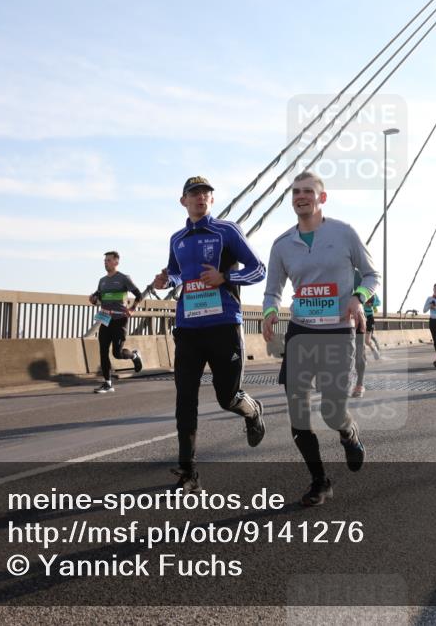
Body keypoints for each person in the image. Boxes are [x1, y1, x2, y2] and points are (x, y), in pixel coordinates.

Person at [262, 171, 377, 507]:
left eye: (308, 191)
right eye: (296, 192)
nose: (301, 196)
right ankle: (319, 481)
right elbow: (272, 290)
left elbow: (372, 275)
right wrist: (270, 312)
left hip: (337, 332)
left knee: (331, 411)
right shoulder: (282, 244)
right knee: (298, 412)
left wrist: (358, 297)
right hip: (301, 332)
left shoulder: (344, 233)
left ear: (321, 198)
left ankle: (347, 431)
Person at [153, 176, 268, 494]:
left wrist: (225, 277)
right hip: (188, 327)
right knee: (184, 399)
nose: (200, 197)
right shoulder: (177, 239)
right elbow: (177, 273)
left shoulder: (227, 231)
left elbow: (258, 269)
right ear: (184, 201)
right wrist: (166, 280)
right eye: (194, 193)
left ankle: (252, 410)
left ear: (212, 200)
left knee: (226, 396)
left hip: (223, 325)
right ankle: (189, 473)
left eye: (206, 193)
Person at [89, 251, 144, 393]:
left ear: (116, 262)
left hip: (120, 320)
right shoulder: (102, 280)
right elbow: (98, 296)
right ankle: (107, 383)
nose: (105, 263)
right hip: (105, 319)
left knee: (117, 353)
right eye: (105, 261)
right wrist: (93, 299)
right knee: (103, 351)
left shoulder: (124, 278)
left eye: (108, 260)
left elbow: (139, 295)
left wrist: (132, 309)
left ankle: (134, 355)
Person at [352, 271, 381, 398]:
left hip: (363, 317)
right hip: (340, 314)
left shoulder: (358, 275)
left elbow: (377, 300)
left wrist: (370, 301)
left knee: (363, 345)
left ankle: (359, 383)